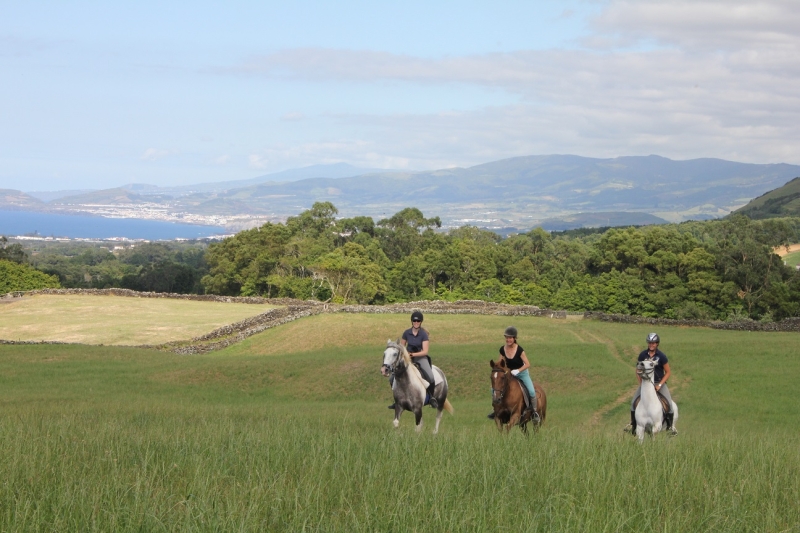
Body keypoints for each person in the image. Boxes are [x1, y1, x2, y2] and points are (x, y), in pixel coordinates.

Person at [625, 332, 677, 435]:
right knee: (633, 403)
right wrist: (641, 384)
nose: (651, 345)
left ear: (657, 344)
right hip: (645, 383)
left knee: (670, 405)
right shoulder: (642, 355)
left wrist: (660, 385)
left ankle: (670, 427)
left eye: (653, 343)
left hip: (659, 383)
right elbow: (638, 371)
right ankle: (633, 426)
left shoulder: (661, 356)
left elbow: (668, 372)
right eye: (649, 343)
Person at [388, 311, 439, 409]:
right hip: (408, 359)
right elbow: (402, 347)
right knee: (392, 378)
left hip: (420, 358)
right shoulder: (406, 333)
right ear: (412, 321)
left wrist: (412, 354)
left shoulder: (424, 335)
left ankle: (432, 397)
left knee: (430, 376)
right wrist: (405, 355)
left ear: (421, 322)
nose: (416, 322)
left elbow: (425, 351)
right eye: (414, 320)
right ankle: (397, 400)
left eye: (418, 320)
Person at [488, 326, 537, 420]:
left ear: (514, 338)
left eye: (510, 338)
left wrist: (518, 370)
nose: (508, 339)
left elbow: (527, 364)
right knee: (494, 390)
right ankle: (495, 409)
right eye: (506, 337)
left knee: (531, 391)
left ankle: (534, 412)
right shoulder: (502, 349)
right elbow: (500, 364)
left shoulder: (520, 350)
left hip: (522, 373)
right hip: (509, 373)